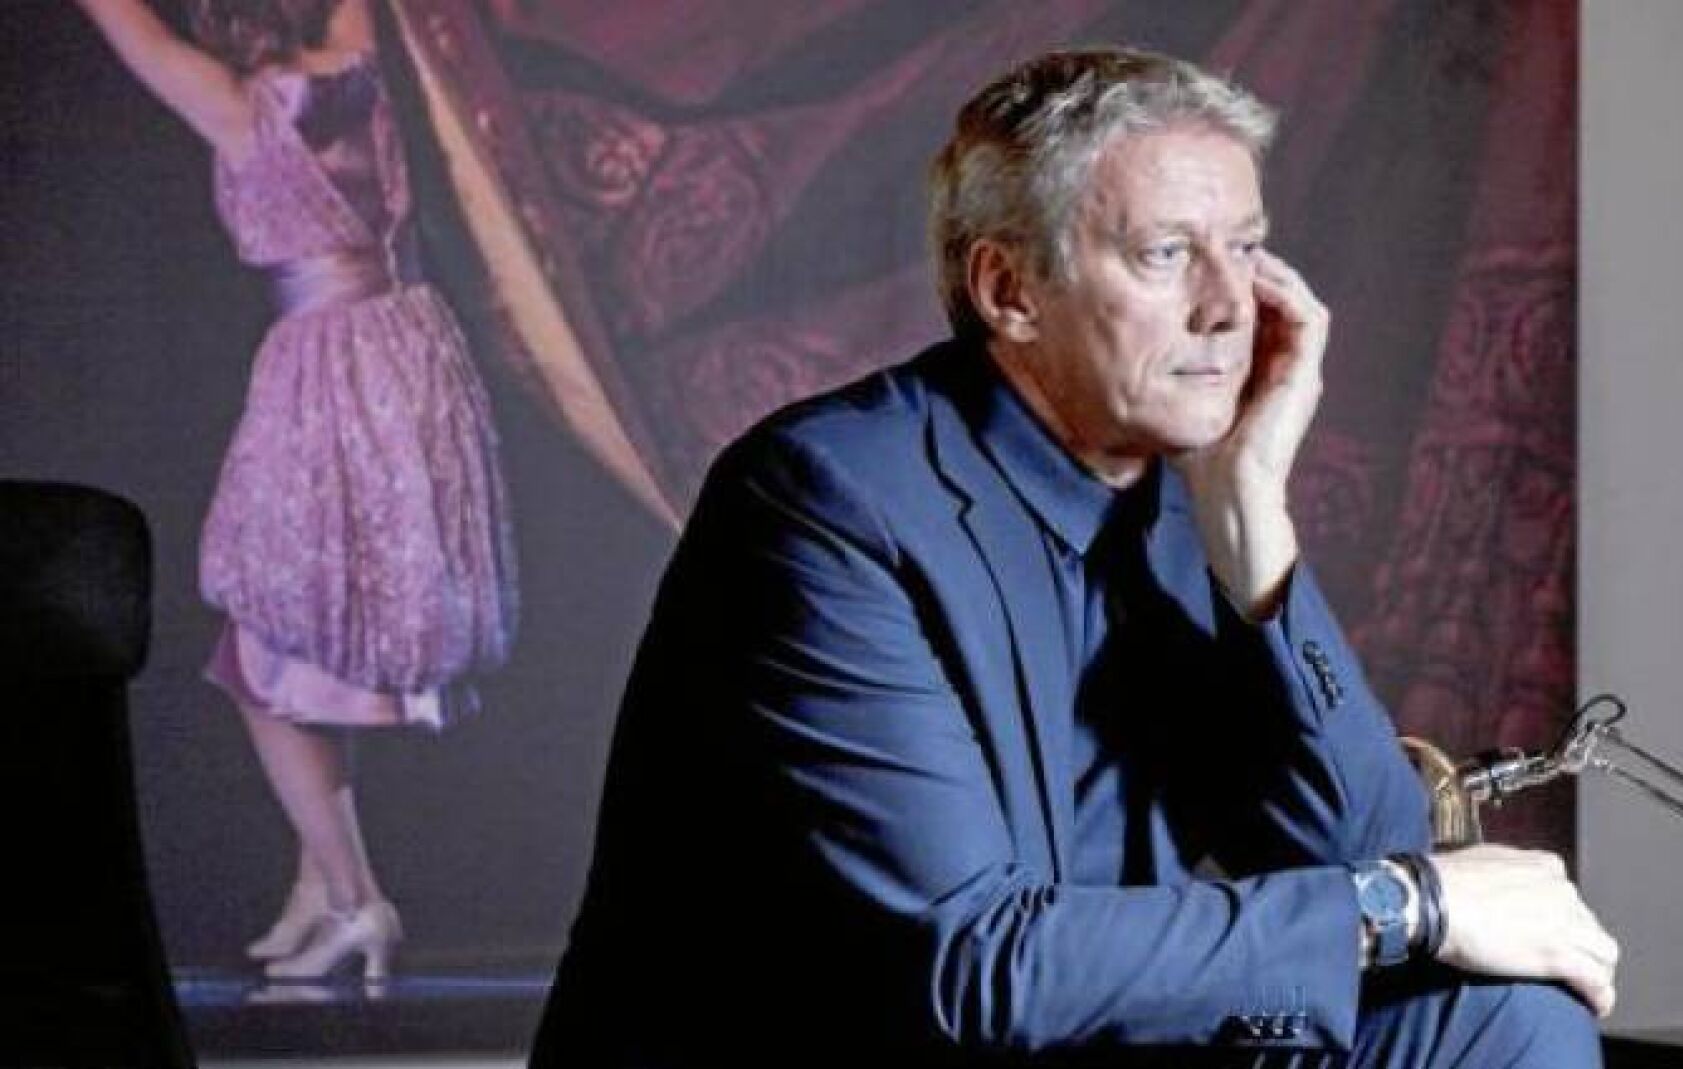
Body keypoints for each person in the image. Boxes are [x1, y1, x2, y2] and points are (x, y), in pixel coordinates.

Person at [532, 47, 1613, 1067]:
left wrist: (1255, 525)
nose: (1229, 307)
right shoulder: (826, 502)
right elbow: (968, 967)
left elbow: (1368, 841)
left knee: (1503, 1017)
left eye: (1244, 248)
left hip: (1076, 1041)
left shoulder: (1187, 497)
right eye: (1166, 254)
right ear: (1009, 291)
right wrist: (1404, 904)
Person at [74, 0, 517, 982]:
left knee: (267, 646)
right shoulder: (360, 58)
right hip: (411, 351)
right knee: (319, 637)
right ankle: (320, 880)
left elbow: (126, 24)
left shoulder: (243, 106)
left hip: (328, 370)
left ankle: (359, 900)